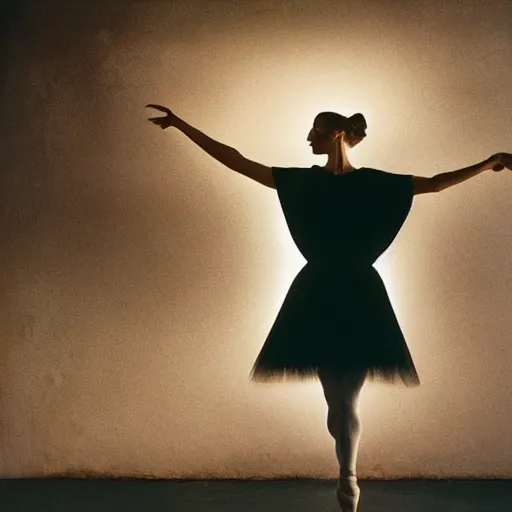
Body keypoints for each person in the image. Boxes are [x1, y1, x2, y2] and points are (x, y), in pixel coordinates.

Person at [146, 103, 511, 511]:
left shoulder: (376, 183)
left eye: (315, 131)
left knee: (348, 399)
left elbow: (438, 183)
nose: (307, 139)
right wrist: (181, 125)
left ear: (336, 135)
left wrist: (488, 163)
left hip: (358, 295)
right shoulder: (300, 181)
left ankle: (348, 479)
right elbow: (236, 161)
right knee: (335, 404)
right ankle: (347, 470)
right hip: (317, 293)